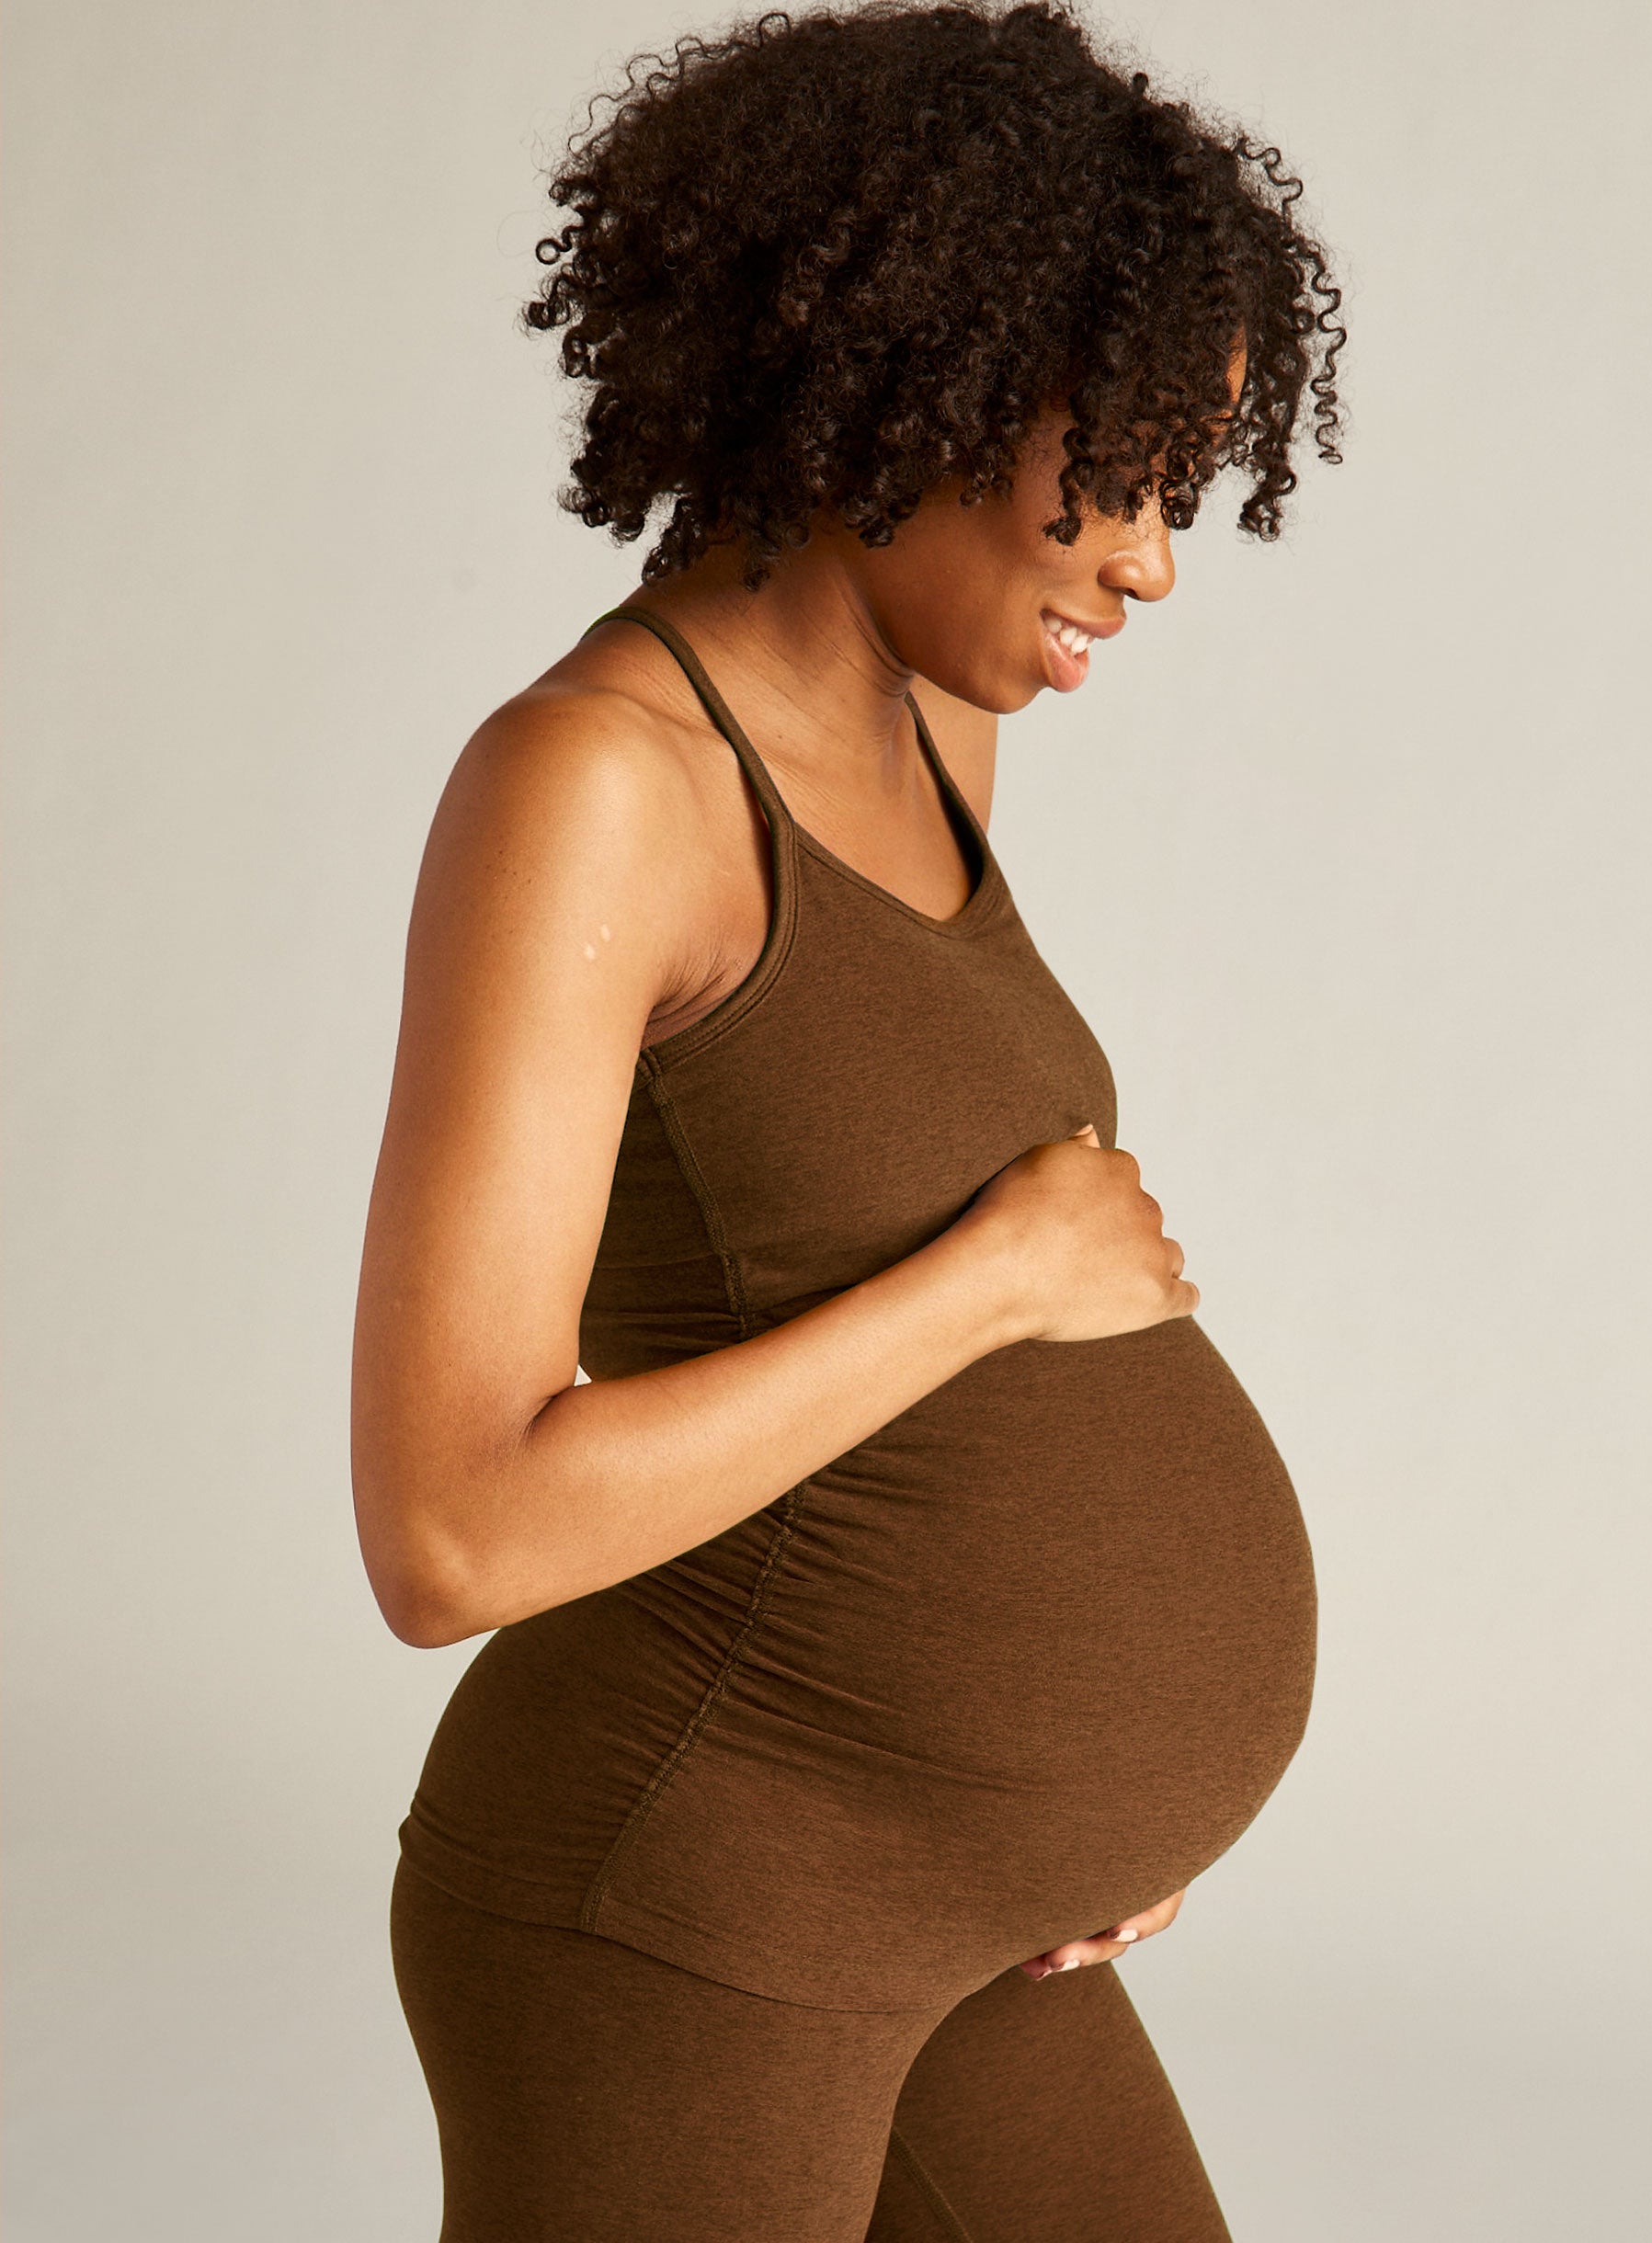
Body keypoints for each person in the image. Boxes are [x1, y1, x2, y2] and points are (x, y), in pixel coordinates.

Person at [349, 3, 1344, 2235]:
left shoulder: (934, 737)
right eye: (1126, 471)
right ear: (927, 387)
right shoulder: (594, 790)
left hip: (947, 1894)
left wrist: (1068, 1788)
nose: (1162, 559)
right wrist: (992, 1283)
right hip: (679, 1905)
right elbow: (448, 1527)